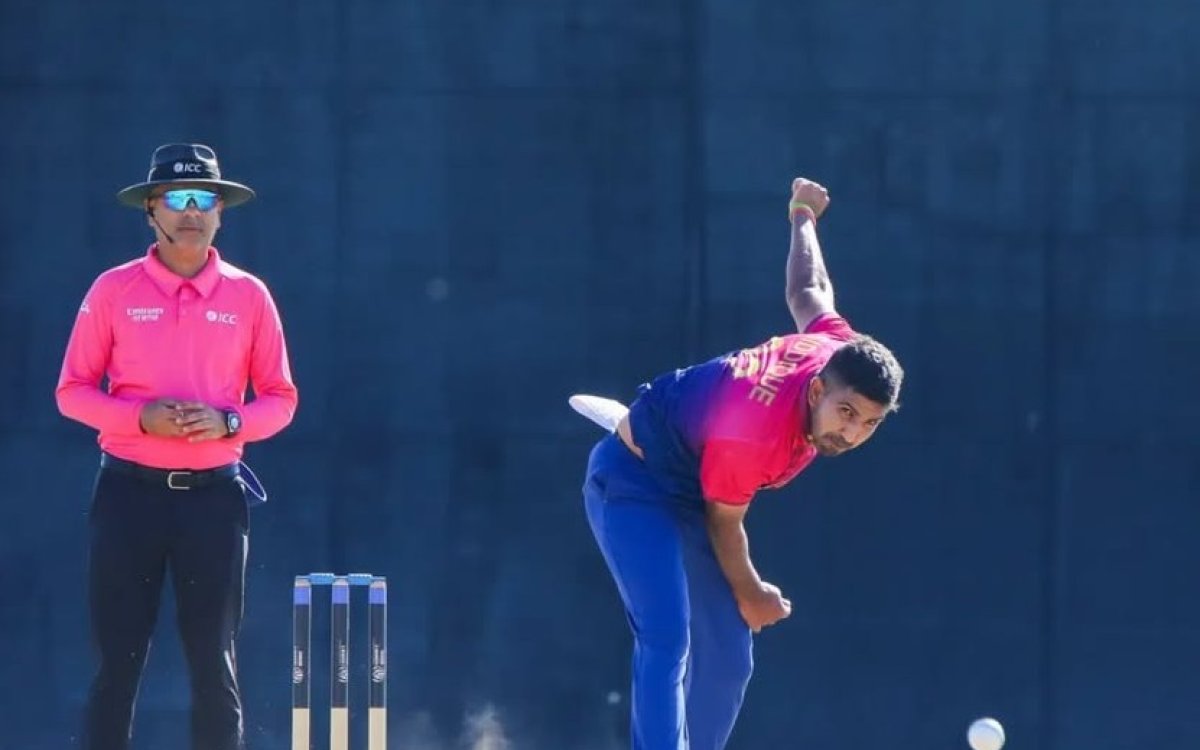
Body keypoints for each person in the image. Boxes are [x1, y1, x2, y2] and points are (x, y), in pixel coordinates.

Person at [581, 177, 904, 750]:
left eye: (869, 423)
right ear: (816, 391)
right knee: (667, 637)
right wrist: (752, 591)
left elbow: (810, 290)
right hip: (634, 483)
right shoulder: (755, 434)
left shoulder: (834, 349)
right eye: (846, 413)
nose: (852, 432)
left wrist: (802, 215)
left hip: (693, 480)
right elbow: (724, 522)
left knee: (730, 657)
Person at [55, 143, 299, 750]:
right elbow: (72, 392)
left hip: (213, 502)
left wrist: (228, 423)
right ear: (151, 211)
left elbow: (280, 399)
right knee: (117, 664)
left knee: (214, 661)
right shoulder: (113, 290)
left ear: (220, 214)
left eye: (205, 200)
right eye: (177, 199)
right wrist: (141, 418)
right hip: (127, 494)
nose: (192, 211)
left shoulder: (248, 295)